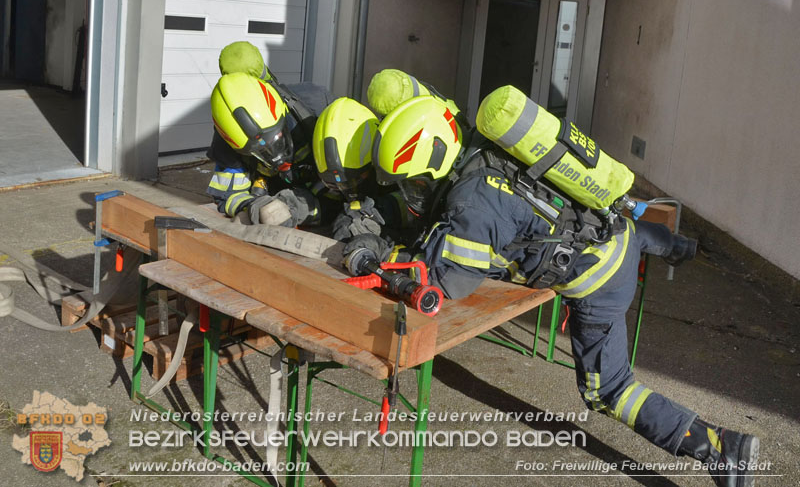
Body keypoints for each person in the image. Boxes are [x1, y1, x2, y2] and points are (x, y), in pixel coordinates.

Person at [355, 91, 759, 487]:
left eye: (415, 183)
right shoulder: (482, 147)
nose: (413, 194)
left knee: (609, 391)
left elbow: (450, 284)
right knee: (631, 234)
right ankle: (676, 246)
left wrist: (389, 253)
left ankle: (721, 447)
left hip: (601, 281)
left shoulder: (473, 205)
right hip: (617, 231)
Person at [206, 42, 337, 227]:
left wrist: (301, 206)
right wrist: (252, 206)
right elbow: (228, 194)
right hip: (273, 198)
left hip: (324, 195)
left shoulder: (316, 104)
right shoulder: (229, 133)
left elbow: (350, 179)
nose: (275, 155)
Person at [311, 96, 415, 241]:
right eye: (336, 185)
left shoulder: (402, 176)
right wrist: (300, 206)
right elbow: (327, 202)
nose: (346, 190)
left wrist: (372, 214)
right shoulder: (332, 179)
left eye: (355, 180)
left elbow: (408, 211)